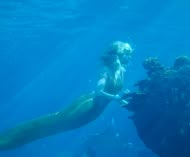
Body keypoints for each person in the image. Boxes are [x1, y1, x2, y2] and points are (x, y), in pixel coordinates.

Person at [0, 41, 133, 150]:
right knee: (48, 126)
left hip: (93, 111)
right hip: (86, 108)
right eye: (127, 53)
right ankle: (5, 142)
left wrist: (121, 101)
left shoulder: (121, 71)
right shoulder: (106, 70)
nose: (129, 56)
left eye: (130, 54)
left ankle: (7, 140)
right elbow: (99, 92)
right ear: (118, 54)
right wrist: (117, 98)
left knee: (50, 126)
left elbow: (113, 92)